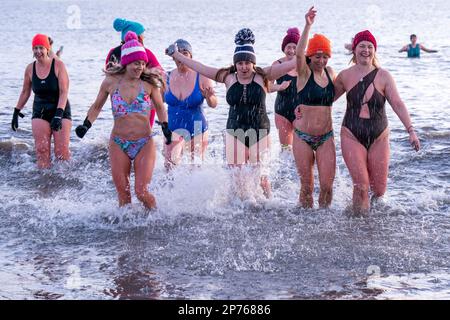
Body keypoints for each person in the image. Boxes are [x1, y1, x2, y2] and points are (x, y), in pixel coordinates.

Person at [166, 28, 297, 198]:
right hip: (234, 131)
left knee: (262, 178)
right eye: (240, 63)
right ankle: (237, 210)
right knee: (237, 178)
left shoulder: (264, 75)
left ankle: (269, 207)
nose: (243, 67)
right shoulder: (227, 77)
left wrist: (307, 33)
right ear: (235, 64)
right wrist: (177, 55)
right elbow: (200, 67)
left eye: (247, 63)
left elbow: (295, 62)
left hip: (260, 130)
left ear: (253, 63)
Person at [75, 31, 172, 209]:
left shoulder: (149, 84)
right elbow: (97, 106)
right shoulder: (110, 82)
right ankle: (126, 232)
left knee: (141, 192)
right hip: (119, 143)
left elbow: (159, 107)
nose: (140, 67)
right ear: (126, 62)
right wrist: (85, 125)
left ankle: (156, 220)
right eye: (136, 63)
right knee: (124, 195)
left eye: (143, 64)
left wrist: (165, 127)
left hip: (144, 142)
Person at [334, 30, 420, 216]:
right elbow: (324, 100)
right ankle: (359, 227)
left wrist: (411, 130)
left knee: (379, 190)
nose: (366, 50)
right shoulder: (344, 76)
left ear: (375, 51)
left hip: (379, 136)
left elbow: (397, 103)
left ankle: (359, 212)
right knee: (362, 185)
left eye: (370, 46)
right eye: (362, 46)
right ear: (354, 50)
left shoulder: (384, 76)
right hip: (351, 134)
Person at [292, 7, 336, 209]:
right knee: (307, 187)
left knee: (327, 186)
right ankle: (306, 227)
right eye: (317, 56)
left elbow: (344, 91)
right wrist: (308, 26)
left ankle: (324, 225)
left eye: (325, 56)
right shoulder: (303, 72)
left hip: (326, 137)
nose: (321, 60)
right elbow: (299, 53)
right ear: (310, 56)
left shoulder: (331, 73)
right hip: (302, 137)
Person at [11, 34, 71, 169]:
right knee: (41, 150)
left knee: (61, 153)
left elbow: (64, 92)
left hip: (60, 109)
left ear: (47, 49)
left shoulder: (58, 65)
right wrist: (16, 111)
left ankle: (66, 183)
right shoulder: (30, 69)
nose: (38, 51)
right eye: (35, 48)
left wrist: (58, 114)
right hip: (40, 110)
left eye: (41, 48)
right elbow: (25, 91)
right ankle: (44, 185)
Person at [164, 39, 217, 168]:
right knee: (169, 168)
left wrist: (210, 97)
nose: (181, 56)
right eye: (179, 53)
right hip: (173, 127)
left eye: (185, 53)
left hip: (197, 127)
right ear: (173, 57)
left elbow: (214, 104)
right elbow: (158, 102)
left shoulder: (202, 76)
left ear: (191, 57)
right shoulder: (166, 77)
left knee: (196, 169)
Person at [106, 18, 165, 128]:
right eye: (142, 35)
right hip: (143, 98)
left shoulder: (112, 52)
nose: (144, 38)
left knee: (123, 131)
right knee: (146, 132)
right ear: (137, 36)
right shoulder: (144, 52)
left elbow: (108, 77)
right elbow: (161, 74)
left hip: (120, 100)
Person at [269, 27, 300, 150]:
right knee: (286, 150)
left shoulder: (305, 65)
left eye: (294, 47)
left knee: (302, 149)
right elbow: (267, 87)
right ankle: (285, 170)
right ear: (284, 48)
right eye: (289, 47)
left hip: (301, 113)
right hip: (282, 112)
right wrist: (279, 87)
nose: (291, 50)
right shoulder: (277, 65)